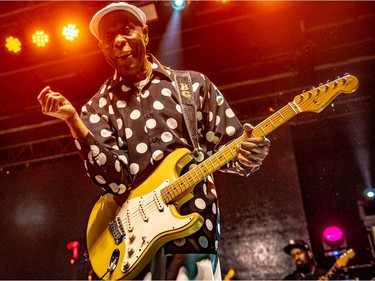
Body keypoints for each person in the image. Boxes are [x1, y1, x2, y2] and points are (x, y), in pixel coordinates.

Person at [37, 2, 270, 280]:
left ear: (145, 34)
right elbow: (115, 181)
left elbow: (230, 148)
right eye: (109, 37)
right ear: (103, 48)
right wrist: (74, 122)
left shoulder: (193, 86)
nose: (119, 41)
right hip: (134, 246)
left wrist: (248, 155)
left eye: (126, 30)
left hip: (194, 238)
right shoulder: (96, 109)